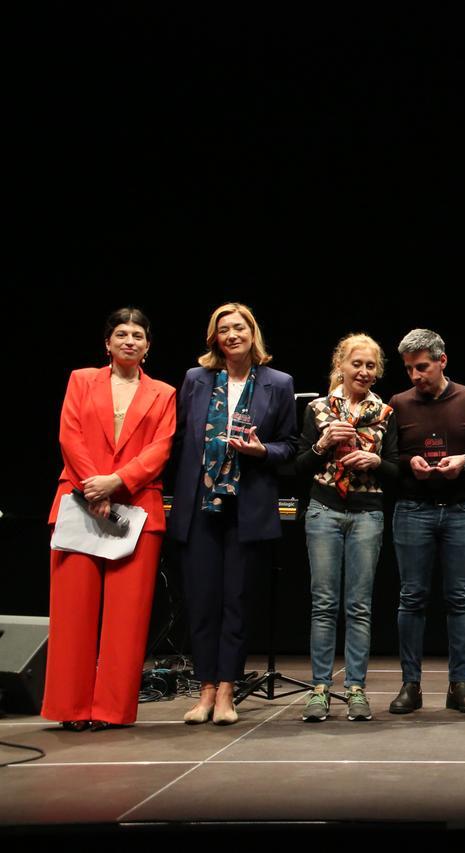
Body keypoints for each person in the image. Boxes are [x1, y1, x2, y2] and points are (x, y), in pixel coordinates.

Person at [43, 308, 176, 731]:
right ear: (108, 343)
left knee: (127, 619)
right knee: (73, 615)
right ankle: (71, 709)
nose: (129, 341)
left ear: (148, 345)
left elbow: (161, 447)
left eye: (138, 334)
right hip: (79, 502)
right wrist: (91, 486)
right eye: (121, 333)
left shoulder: (164, 392)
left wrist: (116, 482)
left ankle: (111, 711)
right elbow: (70, 436)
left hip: (135, 507)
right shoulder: (81, 380)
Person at [169, 303, 297, 725]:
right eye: (223, 329)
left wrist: (262, 450)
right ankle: (205, 690)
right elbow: (181, 439)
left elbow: (290, 446)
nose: (231, 335)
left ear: (252, 332)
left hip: (248, 506)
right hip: (201, 506)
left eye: (239, 327)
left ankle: (227, 692)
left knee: (237, 602)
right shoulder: (196, 379)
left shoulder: (278, 383)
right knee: (203, 601)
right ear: (214, 338)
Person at [388, 329, 465, 715]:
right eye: (409, 369)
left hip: (462, 510)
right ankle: (410, 685)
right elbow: (390, 455)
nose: (415, 376)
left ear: (442, 361)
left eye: (422, 367)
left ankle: (459, 684)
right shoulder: (398, 403)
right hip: (413, 509)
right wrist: (409, 463)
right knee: (412, 598)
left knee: (460, 598)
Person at [295, 334, 398, 722]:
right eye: (357, 363)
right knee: (323, 605)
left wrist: (374, 462)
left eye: (371, 365)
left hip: (367, 514)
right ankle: (320, 690)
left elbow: (398, 470)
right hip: (324, 510)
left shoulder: (386, 413)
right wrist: (322, 445)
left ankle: (356, 688)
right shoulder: (318, 410)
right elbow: (297, 467)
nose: (364, 371)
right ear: (341, 365)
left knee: (359, 607)